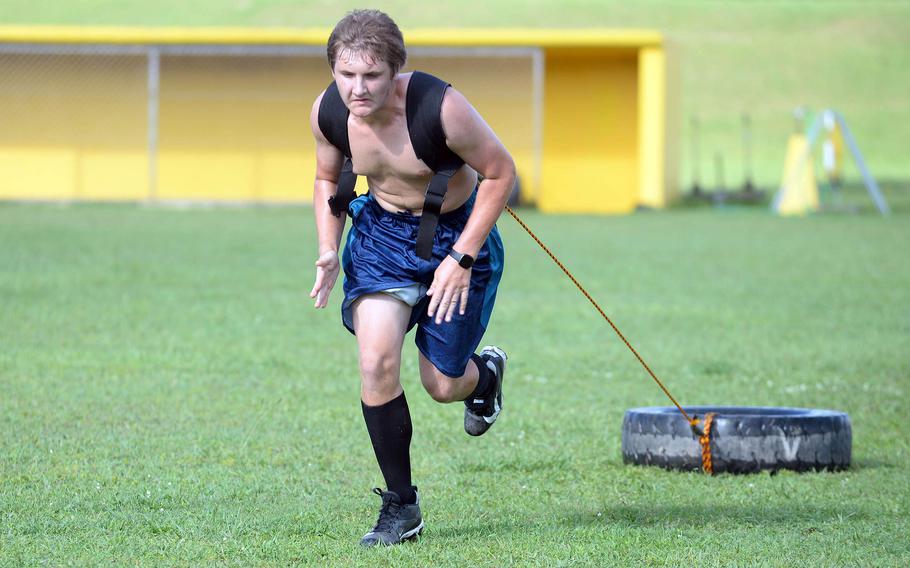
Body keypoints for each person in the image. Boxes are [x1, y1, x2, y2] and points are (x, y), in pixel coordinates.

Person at [308, 9, 515, 547]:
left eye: (371, 76)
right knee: (376, 361)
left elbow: (501, 172)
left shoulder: (439, 106)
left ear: (395, 70)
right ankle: (401, 508)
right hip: (381, 241)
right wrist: (329, 248)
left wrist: (462, 258)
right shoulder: (329, 110)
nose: (357, 88)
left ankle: (484, 377)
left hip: (457, 236)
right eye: (346, 74)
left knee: (441, 384)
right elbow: (328, 177)